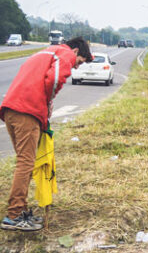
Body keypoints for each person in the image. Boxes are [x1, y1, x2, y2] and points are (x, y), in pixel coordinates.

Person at [1, 37, 92, 231]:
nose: (76, 67)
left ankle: (20, 209)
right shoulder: (65, 53)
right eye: (80, 62)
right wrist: (49, 102)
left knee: (24, 162)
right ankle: (14, 214)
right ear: (76, 51)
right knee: (26, 162)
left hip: (11, 109)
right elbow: (55, 78)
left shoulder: (45, 51)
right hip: (27, 111)